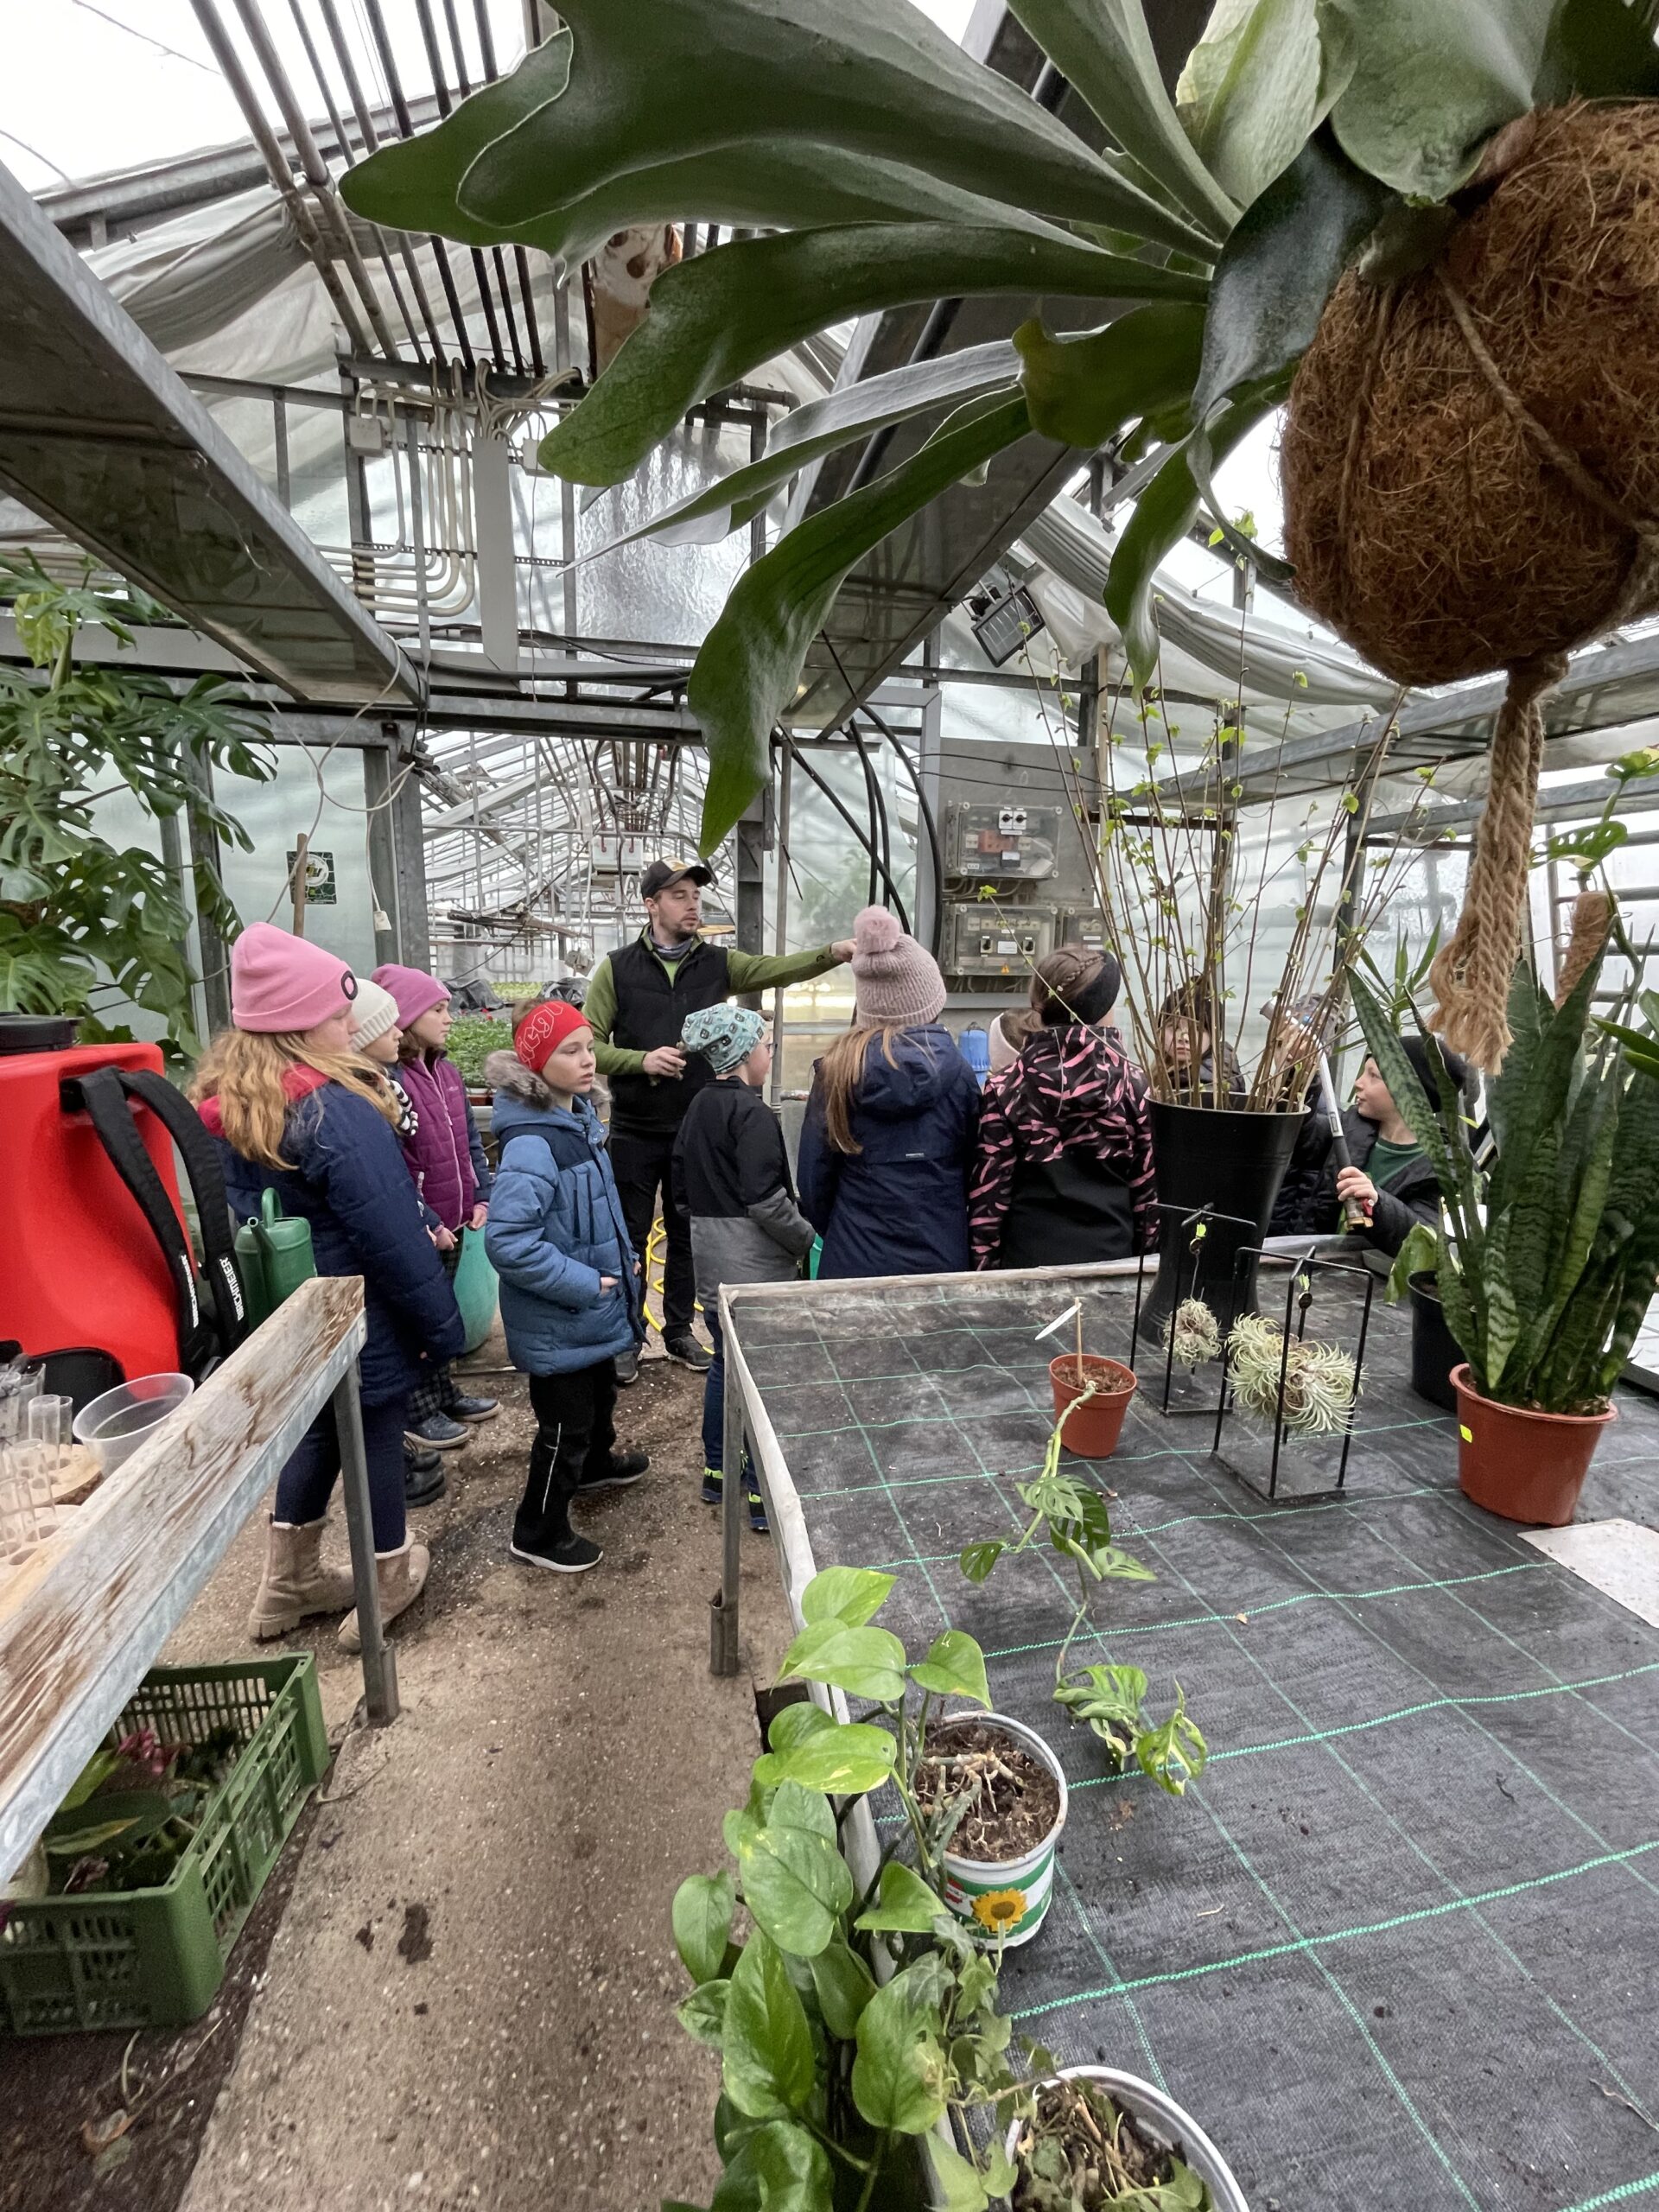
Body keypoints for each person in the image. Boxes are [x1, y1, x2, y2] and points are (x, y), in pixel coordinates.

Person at [190, 923, 463, 1648]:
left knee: (315, 1429)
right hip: (357, 1310)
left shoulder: (233, 1100)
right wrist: (441, 1326)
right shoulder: (332, 1110)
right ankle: (385, 1577)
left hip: (293, 1312)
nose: (352, 1027)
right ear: (300, 1024)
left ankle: (289, 1582)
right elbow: (391, 1235)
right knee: (374, 1430)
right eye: (339, 1015)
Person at [582, 859, 855, 1383]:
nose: (693, 905)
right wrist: (641, 1060)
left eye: (696, 895)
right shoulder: (617, 969)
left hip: (696, 1128)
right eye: (679, 895)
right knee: (630, 1235)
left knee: (689, 1232)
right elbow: (590, 1043)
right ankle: (627, 1337)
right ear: (651, 905)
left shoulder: (717, 963)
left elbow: (775, 969)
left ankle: (678, 1329)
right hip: (637, 1128)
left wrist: (832, 953)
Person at [484, 1000, 647, 1573]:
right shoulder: (533, 1143)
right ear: (535, 1062)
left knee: (599, 1397)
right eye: (569, 1051)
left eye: (589, 1047)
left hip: (590, 1308)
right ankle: (538, 1532)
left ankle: (596, 1466)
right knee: (563, 1428)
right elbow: (509, 1243)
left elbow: (596, 1210)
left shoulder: (577, 1121)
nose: (588, 1060)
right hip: (561, 1317)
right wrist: (585, 1282)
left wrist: (624, 1262)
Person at [673, 1006, 815, 1531]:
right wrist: (806, 1239)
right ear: (741, 1054)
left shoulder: (698, 1106)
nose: (770, 1053)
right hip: (755, 1274)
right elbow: (766, 1201)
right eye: (765, 1045)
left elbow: (681, 1189)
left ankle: (718, 1470)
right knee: (761, 1380)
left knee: (725, 1365)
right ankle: (760, 1493)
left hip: (714, 1266)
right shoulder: (752, 1115)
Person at [797, 907, 981, 1278]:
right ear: (930, 1002)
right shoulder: (959, 1073)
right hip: (940, 1257)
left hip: (853, 1257)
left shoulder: (836, 1074)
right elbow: (976, 1171)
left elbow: (814, 1182)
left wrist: (846, 1229)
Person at [372, 964, 499, 1450]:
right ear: (407, 1015)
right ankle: (417, 1409)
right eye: (438, 1009)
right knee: (418, 1316)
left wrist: (480, 1194)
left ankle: (442, 1392)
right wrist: (426, 1218)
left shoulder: (446, 1073)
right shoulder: (391, 1080)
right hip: (424, 1226)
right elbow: (394, 1165)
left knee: (442, 1308)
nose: (449, 1018)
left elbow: (470, 1142)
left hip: (456, 1217)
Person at [969, 945, 1156, 1268]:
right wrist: (1147, 1268)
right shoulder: (1134, 1086)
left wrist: (985, 1275)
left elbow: (989, 1199)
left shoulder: (1007, 1087)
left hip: (1027, 1264)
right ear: (1103, 1010)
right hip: (1113, 1262)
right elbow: (1148, 1198)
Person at [347, 977, 447, 1510]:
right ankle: (385, 1540)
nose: (396, 1032)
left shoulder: (399, 1084)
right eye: (384, 1024)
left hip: (423, 1218)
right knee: (379, 1385)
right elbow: (390, 1183)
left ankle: (432, 1405)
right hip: (370, 1261)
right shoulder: (356, 1103)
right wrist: (421, 1219)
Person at [1305, 1037, 1469, 1257]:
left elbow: (1424, 1238)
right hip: (1316, 1262)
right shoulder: (1352, 1126)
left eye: (1373, 1076)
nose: (1358, 1083)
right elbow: (1304, 1137)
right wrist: (1297, 1080)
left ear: (1409, 1092)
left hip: (1366, 1275)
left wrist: (1378, 1203)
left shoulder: (1442, 1168)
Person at [1155, 981, 1247, 1105]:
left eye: (1197, 1029)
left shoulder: (1211, 1086)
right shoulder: (1163, 1069)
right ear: (1160, 1032)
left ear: (1213, 1038)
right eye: (1174, 1027)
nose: (1184, 1037)